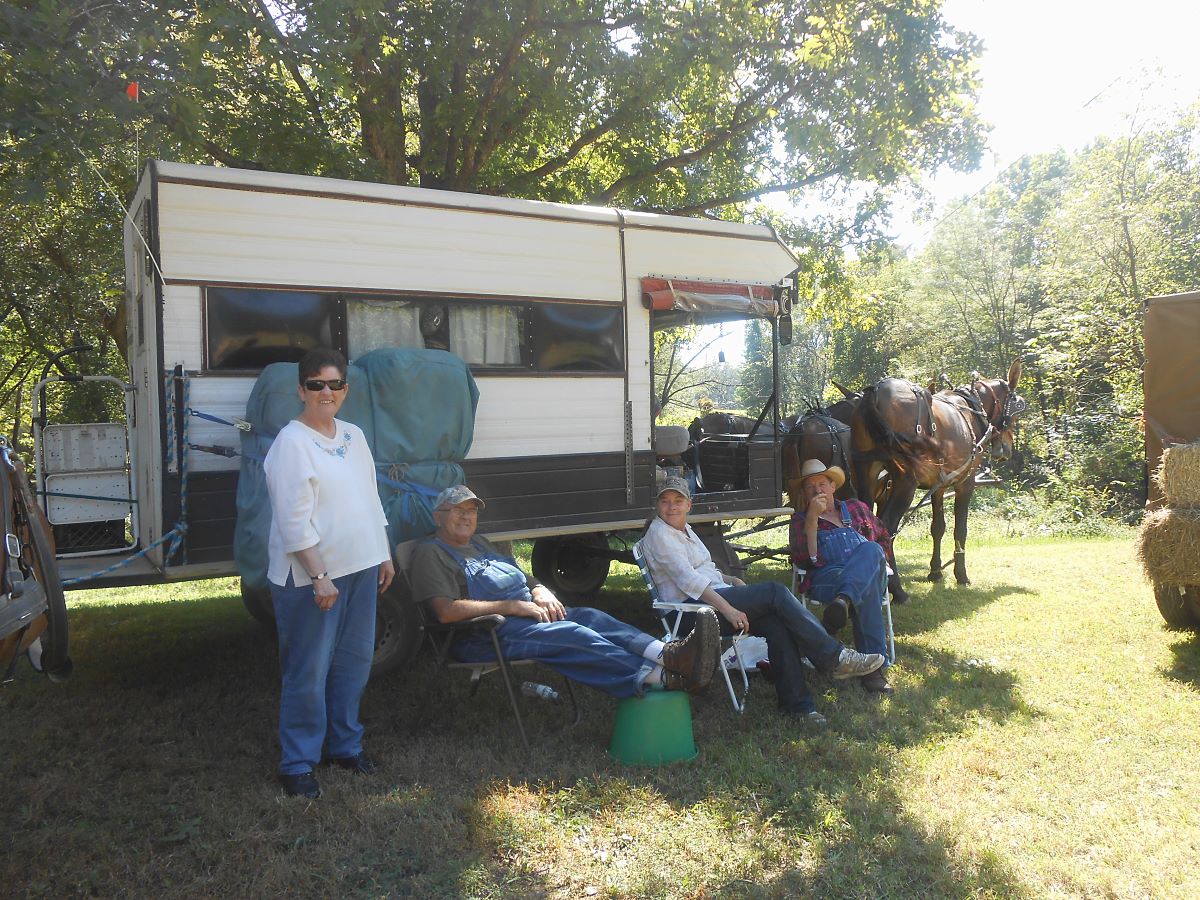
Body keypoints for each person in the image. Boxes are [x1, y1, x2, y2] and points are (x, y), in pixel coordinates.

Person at [410, 485, 721, 699]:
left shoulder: (479, 544)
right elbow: (445, 611)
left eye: (471, 511)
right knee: (572, 633)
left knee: (591, 617)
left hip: (525, 616)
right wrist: (513, 607)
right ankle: (665, 678)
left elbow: (522, 576)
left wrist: (540, 589)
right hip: (483, 634)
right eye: (457, 511)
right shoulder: (431, 553)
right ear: (438, 517)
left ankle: (669, 655)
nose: (467, 517)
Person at [639, 477, 885, 725]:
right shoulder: (660, 534)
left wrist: (732, 580)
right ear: (657, 505)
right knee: (774, 592)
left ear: (689, 505)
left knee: (776, 624)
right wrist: (729, 609)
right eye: (665, 501)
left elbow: (706, 569)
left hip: (710, 599)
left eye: (678, 501)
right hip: (689, 612)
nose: (672, 507)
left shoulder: (684, 530)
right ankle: (832, 657)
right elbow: (690, 582)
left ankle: (798, 707)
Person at [264, 348, 396, 799]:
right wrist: (319, 576)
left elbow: (370, 498)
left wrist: (382, 552)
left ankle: (344, 746)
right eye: (316, 384)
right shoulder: (291, 443)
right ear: (301, 390)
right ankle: (298, 763)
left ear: (345, 390)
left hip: (361, 567)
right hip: (313, 578)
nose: (326, 392)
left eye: (334, 384)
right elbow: (292, 520)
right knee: (309, 670)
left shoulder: (353, 436)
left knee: (353, 665)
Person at [789, 459, 895, 696]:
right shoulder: (800, 520)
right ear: (804, 493)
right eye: (810, 487)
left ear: (833, 486)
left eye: (822, 484)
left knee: (870, 550)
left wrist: (876, 562)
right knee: (865, 589)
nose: (817, 490)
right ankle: (874, 671)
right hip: (829, 578)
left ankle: (842, 603)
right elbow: (803, 559)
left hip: (866, 574)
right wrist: (812, 520)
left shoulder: (856, 508)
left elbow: (883, 537)